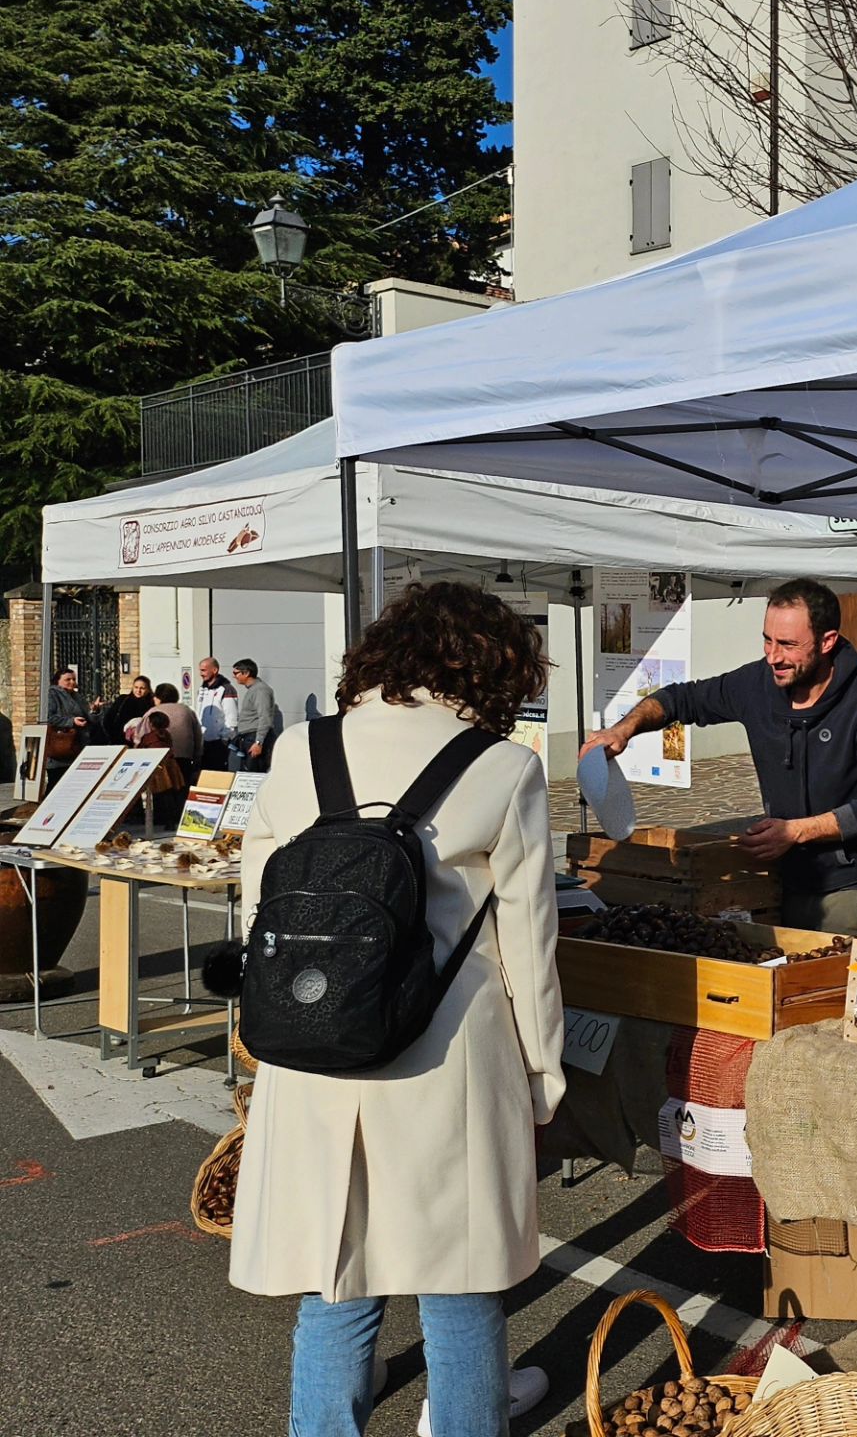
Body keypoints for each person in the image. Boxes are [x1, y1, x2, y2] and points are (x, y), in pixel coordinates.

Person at [230, 581, 565, 1437]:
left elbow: (258, 904)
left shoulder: (303, 748)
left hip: (314, 1038)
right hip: (449, 1050)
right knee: (458, 1283)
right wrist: (541, 1077)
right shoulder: (504, 767)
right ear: (493, 667)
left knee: (337, 1282)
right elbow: (530, 944)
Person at [582, 578, 857, 936]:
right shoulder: (756, 683)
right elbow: (682, 699)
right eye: (767, 640)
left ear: (827, 641)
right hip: (774, 881)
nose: (773, 656)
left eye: (787, 644)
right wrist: (623, 729)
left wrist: (797, 831)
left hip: (851, 888)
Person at [129, 682, 204, 783]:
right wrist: (197, 757)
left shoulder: (152, 712)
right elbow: (198, 735)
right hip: (184, 757)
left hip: (160, 759)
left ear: (158, 697)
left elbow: (140, 736)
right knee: (183, 788)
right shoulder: (187, 710)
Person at [229, 658, 276, 773]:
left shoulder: (260, 690)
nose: (234, 676)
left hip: (254, 738)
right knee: (246, 773)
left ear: (247, 673)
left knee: (254, 774)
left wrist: (259, 742)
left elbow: (264, 717)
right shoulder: (253, 690)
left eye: (236, 673)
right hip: (248, 737)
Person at [44, 667, 93, 777]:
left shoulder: (77, 696)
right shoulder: (52, 695)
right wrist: (71, 721)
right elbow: (49, 717)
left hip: (77, 746)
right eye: (68, 679)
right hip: (60, 746)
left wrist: (95, 711)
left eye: (74, 679)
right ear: (58, 681)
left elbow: (88, 717)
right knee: (56, 781)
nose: (72, 682)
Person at [197, 656, 239, 771]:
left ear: (214, 670)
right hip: (204, 742)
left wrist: (225, 738)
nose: (201, 673)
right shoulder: (202, 689)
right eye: (200, 670)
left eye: (204, 670)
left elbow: (232, 717)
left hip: (219, 743)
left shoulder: (226, 689)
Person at [98, 675, 155, 744]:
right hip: (118, 740)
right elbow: (109, 718)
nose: (138, 691)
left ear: (148, 689)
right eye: (136, 687)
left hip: (140, 742)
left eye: (142, 688)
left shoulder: (151, 703)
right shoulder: (123, 700)